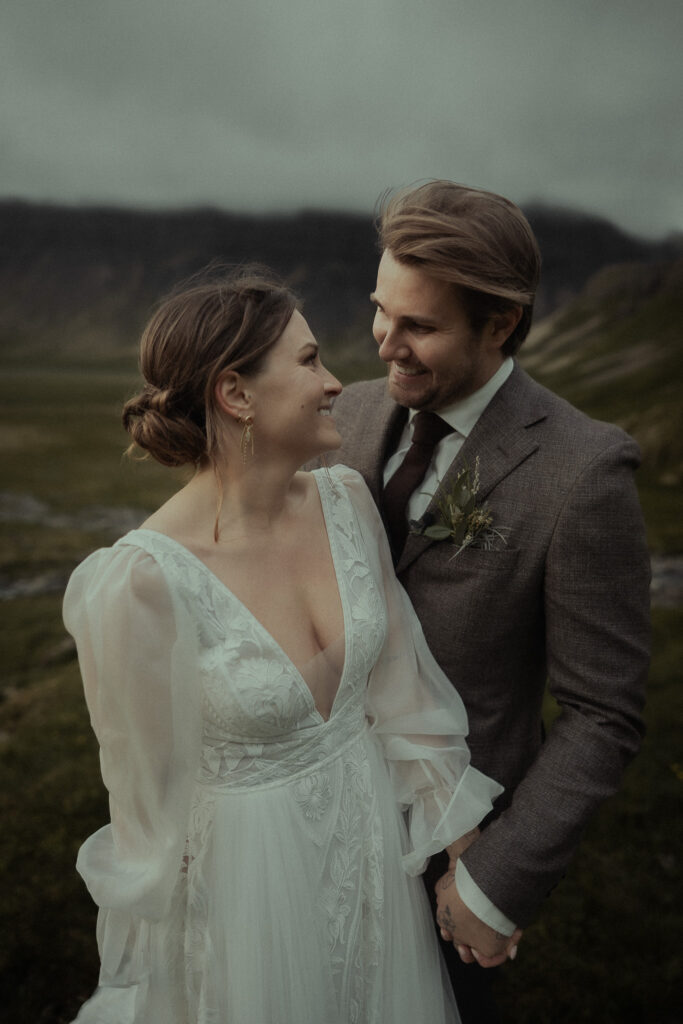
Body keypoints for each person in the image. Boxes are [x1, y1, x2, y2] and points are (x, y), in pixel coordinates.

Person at [63, 267, 507, 1024]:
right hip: (248, 902)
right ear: (235, 394)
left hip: (370, 862)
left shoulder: (345, 502)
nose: (336, 382)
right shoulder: (138, 583)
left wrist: (470, 867)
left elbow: (405, 700)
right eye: (307, 362)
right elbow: (144, 812)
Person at [323, 181, 651, 1021]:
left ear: (499, 324)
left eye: (420, 327)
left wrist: (493, 879)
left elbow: (602, 711)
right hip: (310, 822)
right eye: (379, 311)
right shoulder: (344, 416)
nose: (385, 344)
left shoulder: (583, 472)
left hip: (451, 863)